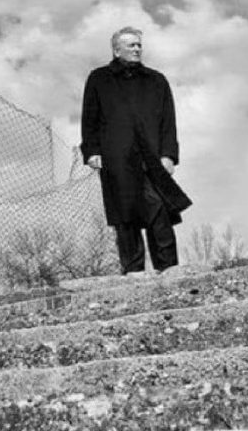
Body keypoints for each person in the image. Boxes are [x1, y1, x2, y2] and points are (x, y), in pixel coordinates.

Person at [80, 26, 190, 274]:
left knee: (159, 209)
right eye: (131, 45)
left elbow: (168, 122)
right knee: (124, 213)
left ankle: (169, 269)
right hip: (116, 156)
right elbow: (89, 118)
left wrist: (169, 154)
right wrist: (92, 151)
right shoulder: (99, 78)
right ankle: (133, 271)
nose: (137, 49)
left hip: (152, 157)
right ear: (116, 50)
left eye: (139, 44)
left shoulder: (156, 80)